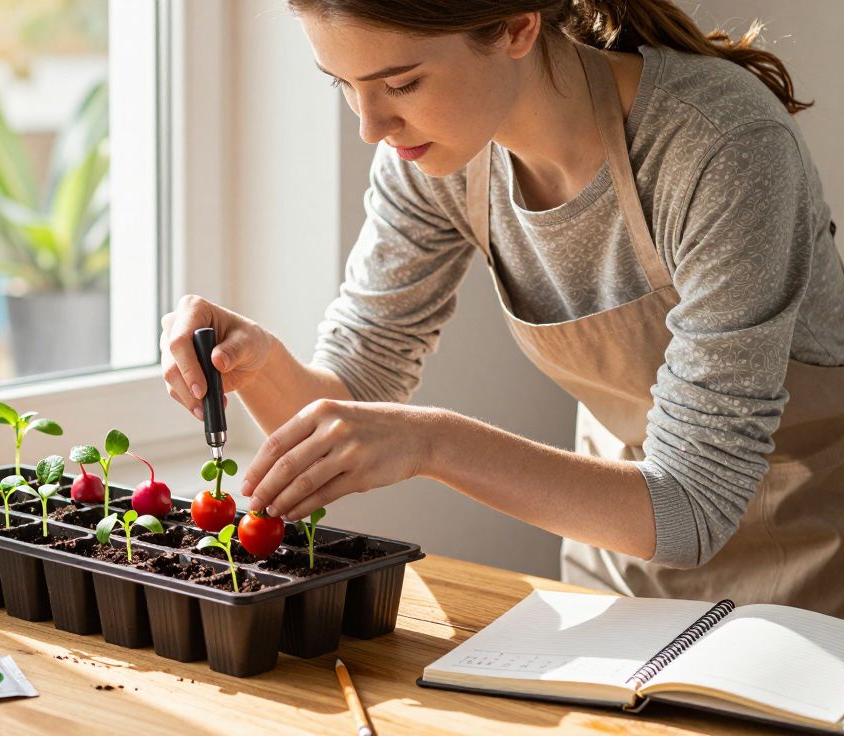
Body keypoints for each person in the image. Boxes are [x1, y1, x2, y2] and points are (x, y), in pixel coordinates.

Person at [159, 0, 844, 615]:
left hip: (809, 572)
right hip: (617, 571)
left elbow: (692, 508)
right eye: (344, 85)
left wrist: (431, 441)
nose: (371, 126)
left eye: (401, 83)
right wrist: (255, 363)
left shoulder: (718, 146)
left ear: (517, 26)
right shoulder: (428, 158)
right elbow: (352, 400)